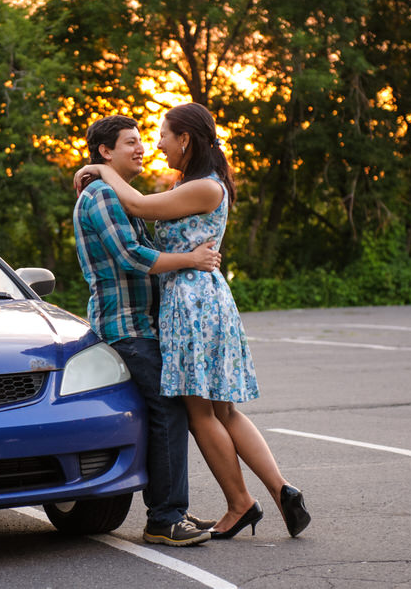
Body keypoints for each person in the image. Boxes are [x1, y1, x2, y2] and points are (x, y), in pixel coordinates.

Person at [74, 103, 311, 540]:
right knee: (222, 409)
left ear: (185, 139)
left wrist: (98, 169)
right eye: (141, 140)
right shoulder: (192, 183)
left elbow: (140, 206)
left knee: (199, 411)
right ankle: (281, 492)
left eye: (162, 135)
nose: (155, 144)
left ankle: (241, 504)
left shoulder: (204, 186)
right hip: (198, 298)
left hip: (191, 301)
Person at [73, 114, 221, 547]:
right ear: (105, 152)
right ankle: (164, 518)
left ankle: (170, 510)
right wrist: (192, 260)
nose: (142, 148)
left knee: (168, 408)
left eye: (144, 141)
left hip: (144, 325)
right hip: (124, 327)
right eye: (131, 143)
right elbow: (134, 257)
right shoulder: (100, 195)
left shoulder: (117, 194)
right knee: (169, 407)